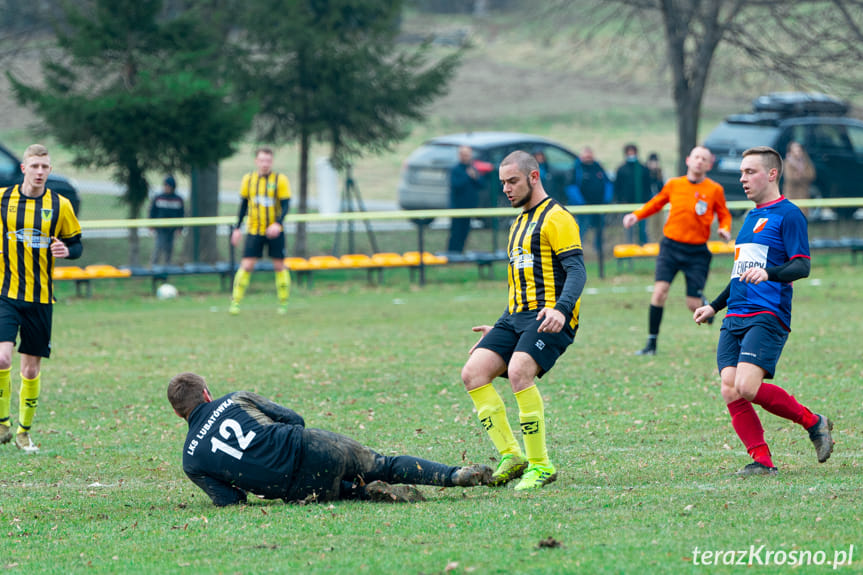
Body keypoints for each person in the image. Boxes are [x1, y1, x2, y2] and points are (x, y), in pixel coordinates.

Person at [693, 146, 833, 476]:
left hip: (767, 313)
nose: (742, 179)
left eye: (750, 172)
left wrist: (769, 273)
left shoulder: (789, 214)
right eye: (741, 172)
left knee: (747, 386)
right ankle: (762, 462)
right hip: (735, 316)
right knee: (730, 388)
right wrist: (713, 306)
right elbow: (741, 274)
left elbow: (802, 265)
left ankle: (814, 423)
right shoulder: (751, 218)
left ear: (772, 174)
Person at [167, 372, 492, 506]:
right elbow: (295, 419)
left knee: (339, 491)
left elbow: (233, 501)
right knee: (384, 463)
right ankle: (453, 475)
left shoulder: (191, 460)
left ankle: (362, 491)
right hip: (311, 446)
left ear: (179, 413)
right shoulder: (236, 399)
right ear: (207, 394)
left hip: (293, 489)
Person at [461, 150, 587, 491]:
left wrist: (561, 309)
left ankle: (541, 464)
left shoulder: (557, 218)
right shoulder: (517, 224)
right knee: (473, 373)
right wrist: (499, 327)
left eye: (513, 181)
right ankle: (511, 456)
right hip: (515, 318)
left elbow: (577, 270)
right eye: (503, 183)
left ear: (534, 177)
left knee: (518, 372)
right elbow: (520, 284)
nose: (506, 189)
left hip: (549, 317)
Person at [0, 144, 83, 453]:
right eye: (34, 166)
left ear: (49, 170)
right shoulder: (3, 199)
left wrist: (67, 251)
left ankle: (23, 431)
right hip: (6, 293)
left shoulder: (59, 205)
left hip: (41, 298)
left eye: (44, 167)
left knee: (30, 369)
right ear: (24, 168)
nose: (39, 172)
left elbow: (76, 245)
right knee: (2, 357)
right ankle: (2, 423)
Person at [623, 145, 732, 356]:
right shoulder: (674, 184)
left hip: (697, 252)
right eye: (696, 157)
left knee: (692, 304)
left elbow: (724, 214)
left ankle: (707, 310)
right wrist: (636, 215)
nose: (699, 161)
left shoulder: (714, 189)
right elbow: (656, 203)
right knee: (659, 292)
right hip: (671, 247)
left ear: (709, 165)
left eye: (704, 159)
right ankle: (651, 344)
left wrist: (724, 229)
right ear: (688, 160)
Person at [229, 147, 292, 315]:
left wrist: (277, 224)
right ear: (256, 161)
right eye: (262, 160)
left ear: (272, 162)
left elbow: (286, 205)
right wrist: (237, 229)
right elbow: (243, 206)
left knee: (279, 265)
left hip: (275, 231)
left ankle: (283, 303)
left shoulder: (280, 180)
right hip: (255, 230)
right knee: (247, 265)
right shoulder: (248, 180)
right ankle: (235, 302)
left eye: (268, 161)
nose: (265, 164)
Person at [570, 146, 612, 256]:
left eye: (590, 155)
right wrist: (581, 202)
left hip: (599, 206)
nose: (588, 158)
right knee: (583, 227)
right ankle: (578, 250)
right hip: (584, 207)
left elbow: (607, 183)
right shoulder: (577, 168)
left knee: (599, 228)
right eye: (586, 155)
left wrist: (606, 199)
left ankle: (598, 251)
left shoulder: (598, 166)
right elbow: (571, 187)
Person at [446, 146, 483, 254]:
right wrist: (467, 176)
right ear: (459, 155)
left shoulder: (472, 169)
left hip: (470, 207)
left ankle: (460, 252)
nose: (465, 157)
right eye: (463, 155)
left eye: (467, 155)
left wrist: (475, 176)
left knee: (465, 231)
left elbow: (481, 184)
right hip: (457, 207)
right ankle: (452, 253)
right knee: (456, 231)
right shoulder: (455, 170)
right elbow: (455, 185)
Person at [614, 143, 652, 245]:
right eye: (629, 152)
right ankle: (630, 247)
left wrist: (646, 199)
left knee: (643, 228)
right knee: (628, 229)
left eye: (633, 152)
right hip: (626, 204)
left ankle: (643, 247)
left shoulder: (643, 169)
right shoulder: (621, 169)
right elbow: (617, 187)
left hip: (641, 204)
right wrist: (620, 201)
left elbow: (648, 186)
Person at [148, 175, 185, 266]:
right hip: (160, 227)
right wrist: (151, 225)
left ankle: (167, 267)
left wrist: (180, 228)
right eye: (165, 186)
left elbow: (181, 214)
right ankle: (154, 266)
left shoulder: (178, 199)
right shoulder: (159, 197)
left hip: (172, 228)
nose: (166, 188)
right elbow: (152, 212)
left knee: (169, 248)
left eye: (168, 186)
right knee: (159, 246)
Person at [782, 141, 815, 218]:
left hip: (804, 194)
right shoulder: (787, 162)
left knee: (802, 216)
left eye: (799, 150)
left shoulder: (806, 161)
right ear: (790, 151)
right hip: (791, 195)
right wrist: (800, 177)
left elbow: (811, 174)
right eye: (795, 150)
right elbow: (789, 177)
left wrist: (801, 175)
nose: (797, 152)